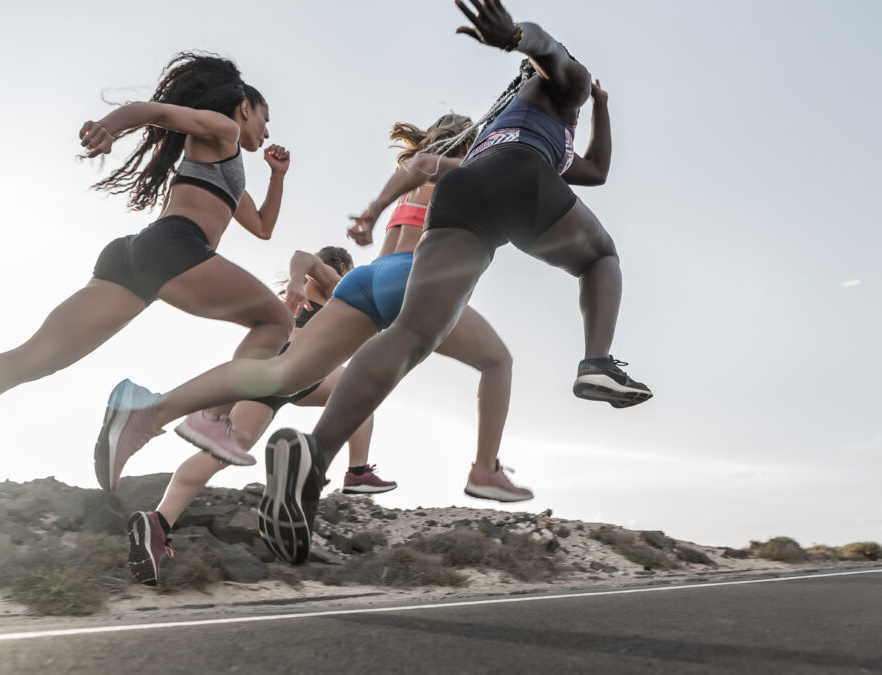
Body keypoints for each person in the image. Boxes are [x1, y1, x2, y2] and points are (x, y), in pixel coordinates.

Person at [263, 0, 652, 560]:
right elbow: (547, 46)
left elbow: (595, 170)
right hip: (521, 182)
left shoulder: (517, 123)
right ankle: (597, 364)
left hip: (467, 192)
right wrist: (519, 37)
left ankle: (313, 459)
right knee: (600, 257)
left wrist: (603, 111)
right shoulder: (571, 82)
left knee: (410, 336)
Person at [103, 112, 529, 565]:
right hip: (415, 279)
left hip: (367, 279)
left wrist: (370, 213)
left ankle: (150, 410)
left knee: (281, 374)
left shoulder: (419, 178)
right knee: (494, 361)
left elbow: (416, 167)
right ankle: (481, 468)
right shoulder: (461, 172)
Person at [0, 52, 294, 490]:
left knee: (30, 360)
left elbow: (262, 228)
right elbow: (158, 112)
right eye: (265, 117)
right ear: (245, 107)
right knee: (277, 321)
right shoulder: (223, 129)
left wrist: (277, 176)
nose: (267, 130)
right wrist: (110, 127)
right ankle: (211, 417)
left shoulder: (227, 162)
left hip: (134, 257)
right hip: (174, 248)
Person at [126, 246, 395, 586]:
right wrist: (300, 279)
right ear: (342, 264)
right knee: (361, 390)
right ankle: (355, 471)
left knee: (224, 449)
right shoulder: (337, 281)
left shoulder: (315, 293)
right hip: (297, 362)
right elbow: (303, 255)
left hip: (272, 367)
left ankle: (158, 523)